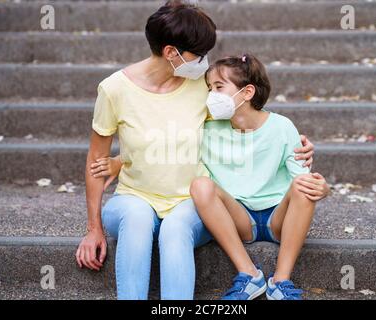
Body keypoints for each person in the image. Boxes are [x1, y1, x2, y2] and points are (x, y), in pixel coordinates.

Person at [79, 1, 315, 300]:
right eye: (199, 54)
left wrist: (296, 141)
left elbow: (245, 109)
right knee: (137, 219)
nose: (204, 60)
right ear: (170, 52)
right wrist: (93, 228)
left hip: (189, 202)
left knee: (175, 228)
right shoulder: (114, 89)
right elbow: (95, 161)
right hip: (133, 196)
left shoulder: (201, 87)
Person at [189, 54, 331, 300]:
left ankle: (281, 281)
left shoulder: (282, 127)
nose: (212, 95)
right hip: (240, 217)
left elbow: (305, 179)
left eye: (219, 87)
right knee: (201, 185)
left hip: (279, 217)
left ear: (247, 92)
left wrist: (323, 188)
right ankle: (249, 275)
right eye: (209, 88)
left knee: (303, 184)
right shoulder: (207, 129)